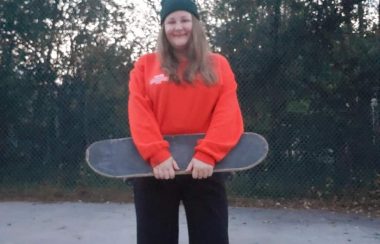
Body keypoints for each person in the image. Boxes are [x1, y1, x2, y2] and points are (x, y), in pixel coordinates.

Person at [127, 0, 244, 243]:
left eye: (184, 20)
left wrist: (208, 153)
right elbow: (139, 111)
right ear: (163, 27)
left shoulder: (218, 64)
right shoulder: (145, 65)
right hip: (156, 171)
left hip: (205, 169)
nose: (178, 27)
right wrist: (156, 153)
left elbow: (228, 112)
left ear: (195, 24)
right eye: (171, 21)